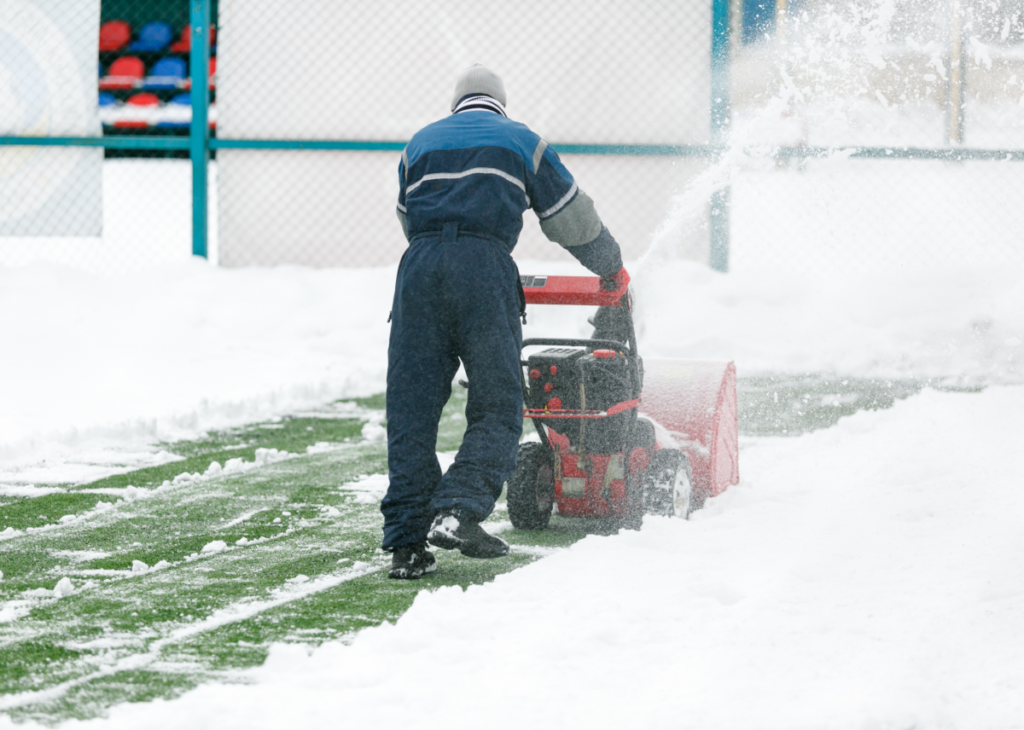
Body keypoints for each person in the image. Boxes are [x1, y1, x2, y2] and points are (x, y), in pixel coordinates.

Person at [383, 64, 628, 579]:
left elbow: (408, 217)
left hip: (418, 271)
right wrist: (610, 264)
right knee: (497, 402)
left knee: (411, 409)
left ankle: (407, 543)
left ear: (457, 103)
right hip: (483, 266)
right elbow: (570, 218)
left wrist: (437, 258)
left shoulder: (419, 144)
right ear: (499, 103)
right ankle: (459, 510)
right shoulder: (521, 141)